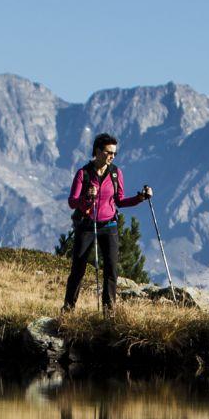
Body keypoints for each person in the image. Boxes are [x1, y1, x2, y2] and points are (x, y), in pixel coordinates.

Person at [62, 133, 153, 314]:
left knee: (111, 270)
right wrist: (86, 198)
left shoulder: (115, 173)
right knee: (78, 269)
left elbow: (119, 201)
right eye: (109, 152)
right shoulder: (83, 174)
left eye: (114, 153)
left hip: (109, 225)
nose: (112, 156)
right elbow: (72, 202)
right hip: (87, 225)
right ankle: (68, 310)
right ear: (97, 151)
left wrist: (140, 198)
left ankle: (109, 313)